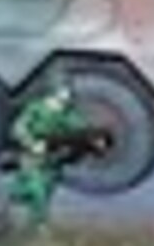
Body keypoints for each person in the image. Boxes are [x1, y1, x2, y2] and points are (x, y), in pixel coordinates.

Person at [5, 81, 95, 226]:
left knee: (46, 187)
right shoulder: (36, 109)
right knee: (37, 188)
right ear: (51, 95)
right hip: (32, 154)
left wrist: (88, 135)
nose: (64, 100)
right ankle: (38, 223)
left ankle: (20, 199)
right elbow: (19, 128)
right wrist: (31, 143)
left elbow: (79, 126)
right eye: (61, 96)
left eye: (67, 96)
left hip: (52, 157)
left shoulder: (67, 113)